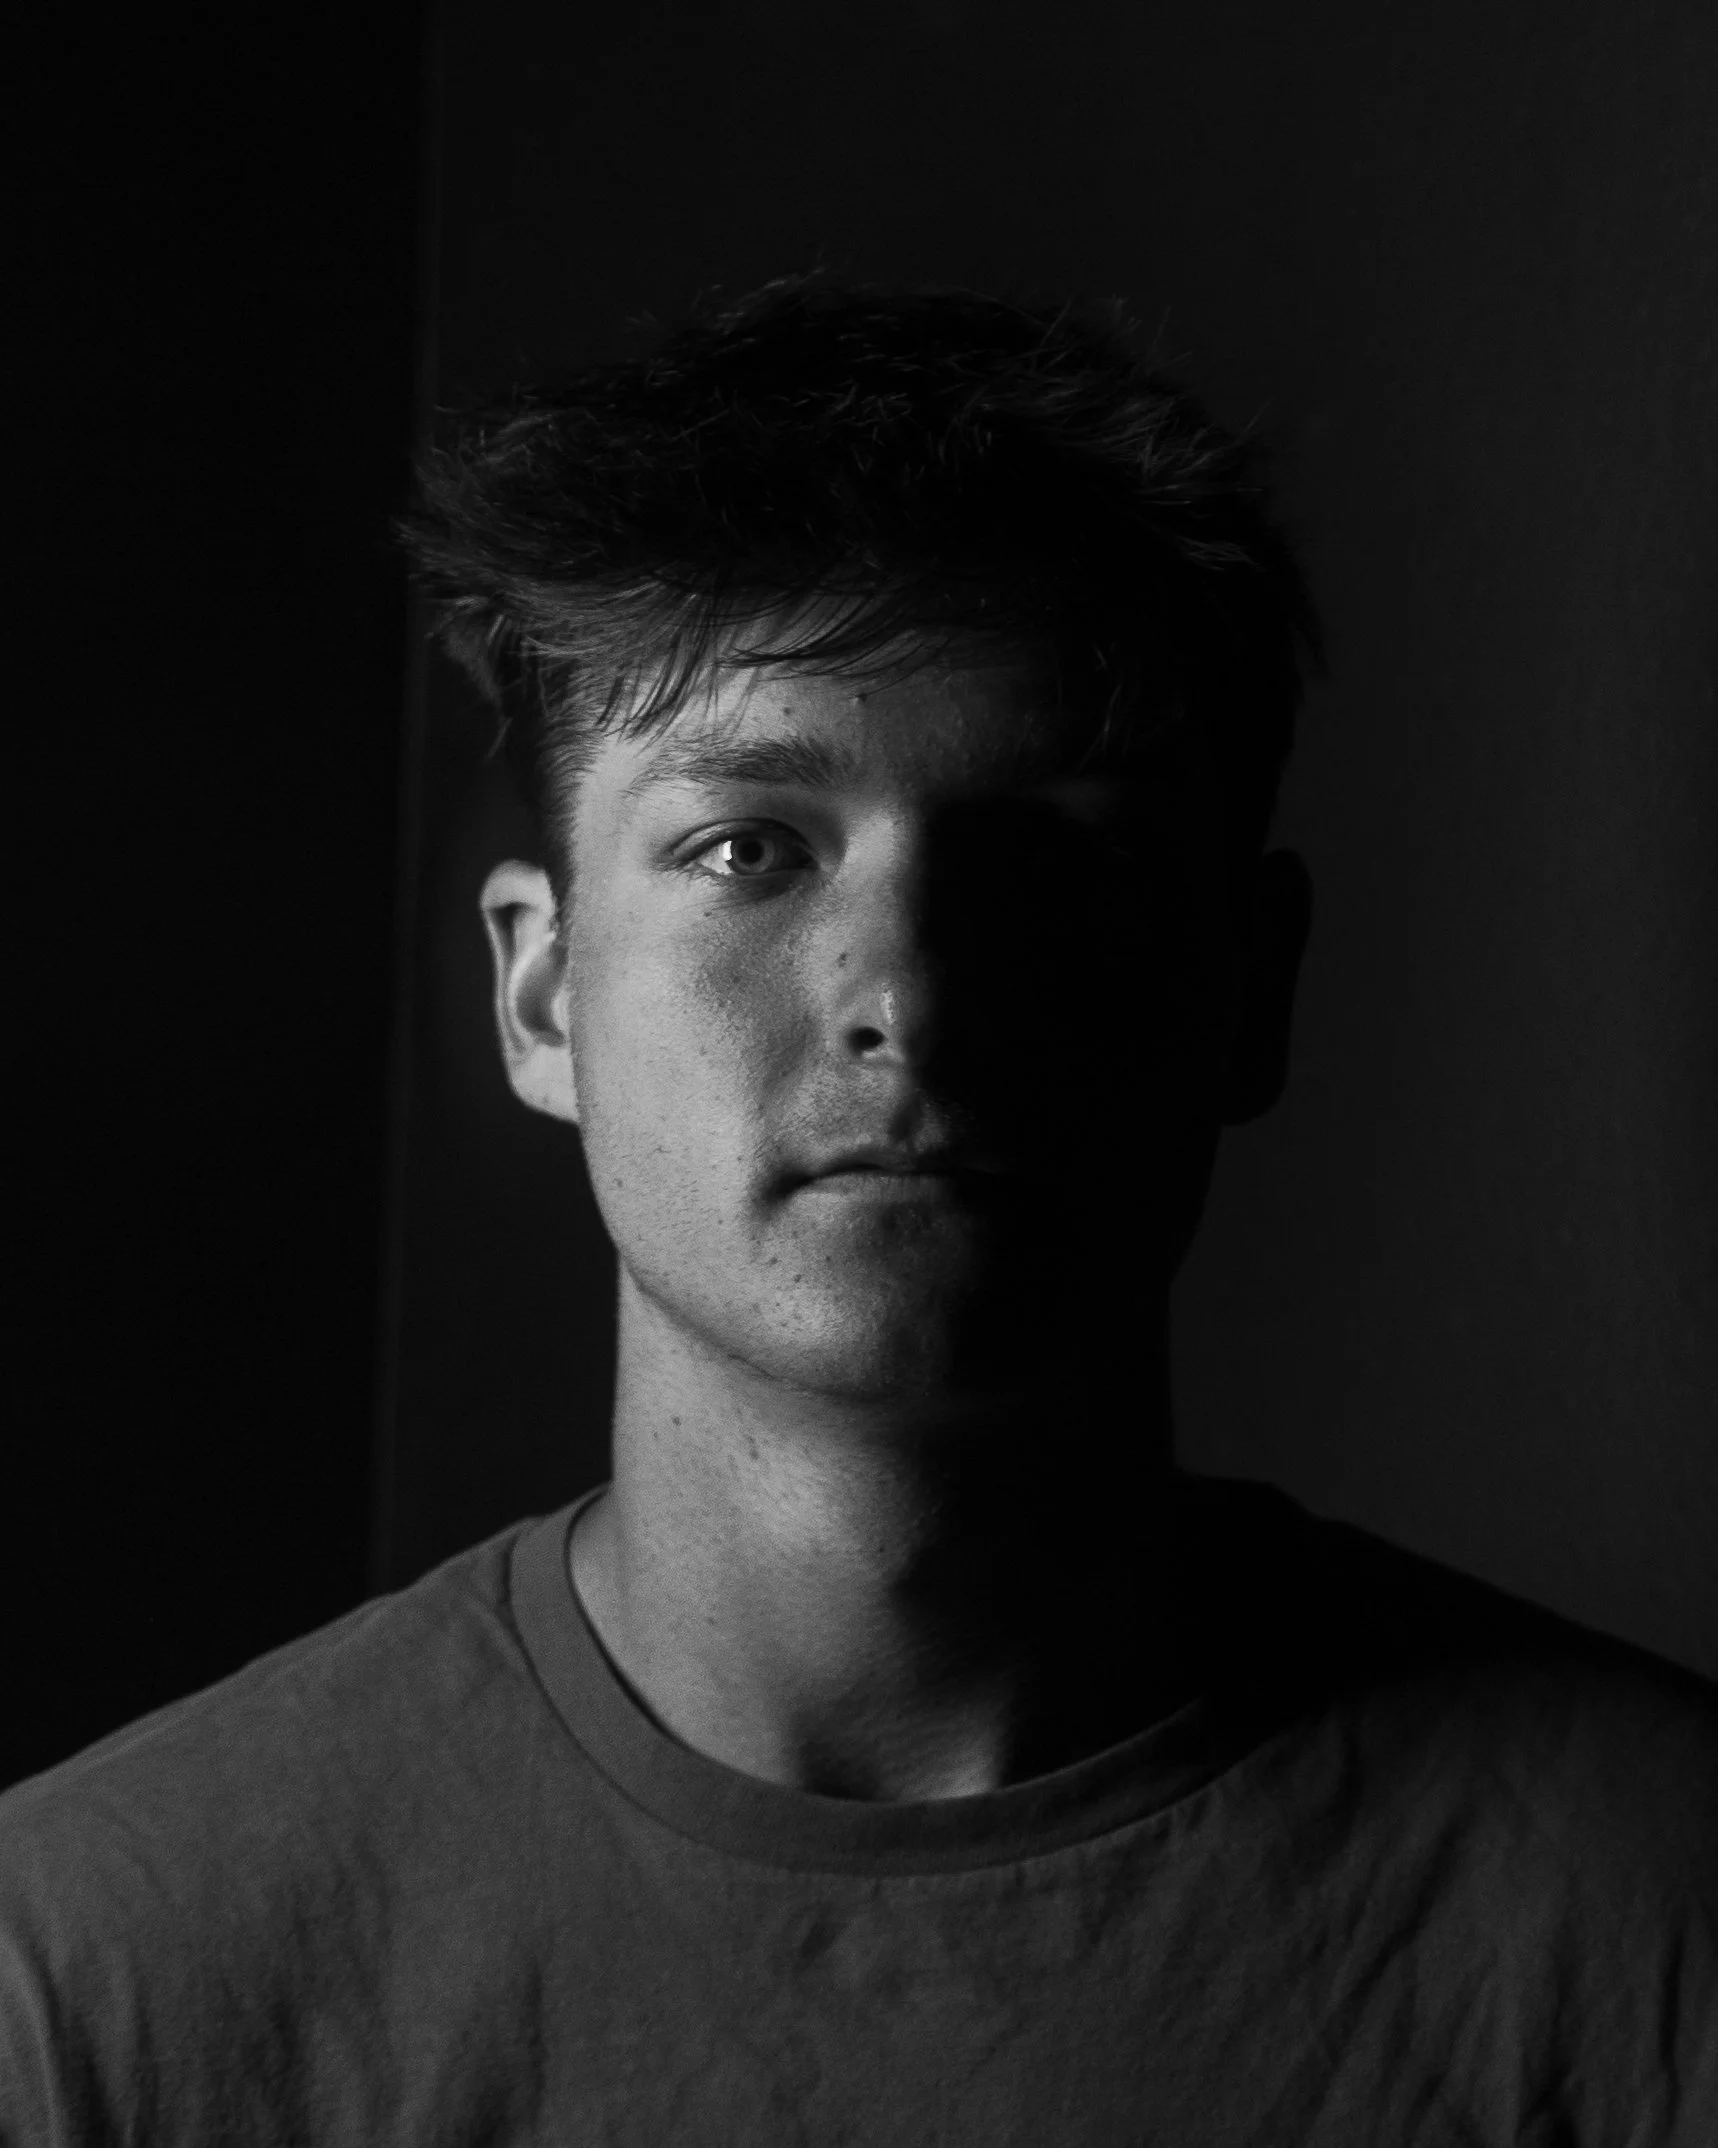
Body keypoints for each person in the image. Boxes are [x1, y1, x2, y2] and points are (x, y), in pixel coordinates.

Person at [3, 279, 1715, 2145]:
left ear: (1250, 985)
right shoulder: (92, 1972)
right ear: (542, 995)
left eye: (1051, 858)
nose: (906, 990)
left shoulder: (1654, 1914)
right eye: (748, 849)